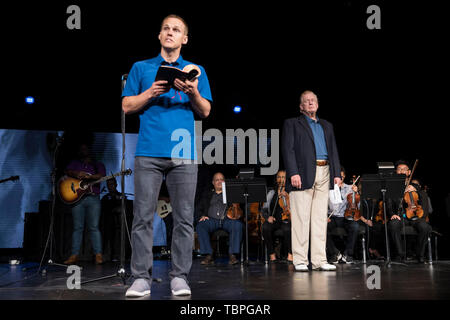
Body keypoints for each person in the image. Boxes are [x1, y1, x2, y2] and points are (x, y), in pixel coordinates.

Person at [122, 14, 212, 297]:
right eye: (166, 29)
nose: (170, 32)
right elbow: (126, 106)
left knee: (184, 218)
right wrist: (150, 92)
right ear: (159, 36)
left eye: (176, 30)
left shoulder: (195, 70)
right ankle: (140, 278)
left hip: (183, 152)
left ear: (184, 38)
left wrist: (193, 92)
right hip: (148, 151)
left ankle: (179, 277)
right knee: (143, 217)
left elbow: (205, 110)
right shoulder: (141, 67)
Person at [281, 90, 341, 272]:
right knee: (301, 218)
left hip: (325, 171)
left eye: (313, 100)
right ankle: (300, 260)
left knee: (319, 219)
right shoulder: (292, 123)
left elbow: (333, 150)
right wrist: (293, 172)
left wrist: (336, 173)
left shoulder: (326, 125)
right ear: (301, 107)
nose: (310, 102)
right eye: (306, 101)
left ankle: (319, 260)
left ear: (318, 104)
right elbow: (287, 149)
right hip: (303, 173)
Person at [64, 143, 106, 265]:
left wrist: (90, 176)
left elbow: (101, 175)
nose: (83, 150)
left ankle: (98, 255)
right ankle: (74, 255)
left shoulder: (98, 164)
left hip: (93, 198)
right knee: (77, 227)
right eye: (81, 149)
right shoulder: (75, 163)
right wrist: (77, 174)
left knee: (94, 227)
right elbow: (67, 171)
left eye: (85, 148)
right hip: (77, 199)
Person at [388, 160, 432, 263]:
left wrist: (416, 189)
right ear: (396, 172)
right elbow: (389, 204)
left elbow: (423, 200)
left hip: (416, 216)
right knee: (393, 224)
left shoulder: (416, 187)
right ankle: (400, 255)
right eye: (399, 169)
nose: (402, 171)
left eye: (404, 169)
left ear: (409, 172)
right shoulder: (392, 188)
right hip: (400, 216)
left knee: (425, 227)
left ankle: (419, 255)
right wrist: (393, 214)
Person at [196, 172, 243, 265]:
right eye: (217, 180)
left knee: (237, 225)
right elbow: (198, 208)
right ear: (213, 182)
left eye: (221, 179)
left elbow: (239, 207)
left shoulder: (230, 193)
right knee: (201, 225)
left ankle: (232, 254)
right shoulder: (208, 194)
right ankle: (209, 254)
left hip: (227, 220)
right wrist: (202, 216)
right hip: (211, 220)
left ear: (224, 181)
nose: (219, 182)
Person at [326, 168, 372, 264]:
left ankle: (348, 254)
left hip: (345, 216)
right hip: (332, 217)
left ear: (344, 176)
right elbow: (322, 205)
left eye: (342, 177)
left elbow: (356, 207)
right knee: (321, 228)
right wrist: (324, 217)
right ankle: (334, 253)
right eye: (337, 177)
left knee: (354, 226)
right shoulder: (327, 189)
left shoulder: (350, 188)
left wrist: (356, 193)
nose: (339, 179)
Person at [261, 170, 292, 263]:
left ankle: (290, 254)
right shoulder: (271, 193)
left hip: (287, 219)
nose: (281, 179)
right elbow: (264, 209)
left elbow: (293, 209)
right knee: (265, 227)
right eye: (279, 177)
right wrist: (268, 217)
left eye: (283, 177)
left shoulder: (291, 193)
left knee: (288, 229)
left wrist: (287, 197)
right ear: (276, 179)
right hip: (274, 219)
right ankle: (272, 254)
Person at [100, 178, 124, 262]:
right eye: (109, 185)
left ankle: (117, 255)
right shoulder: (105, 198)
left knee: (118, 236)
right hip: (108, 223)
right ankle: (107, 255)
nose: (110, 186)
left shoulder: (121, 196)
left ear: (116, 184)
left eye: (112, 184)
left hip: (119, 223)